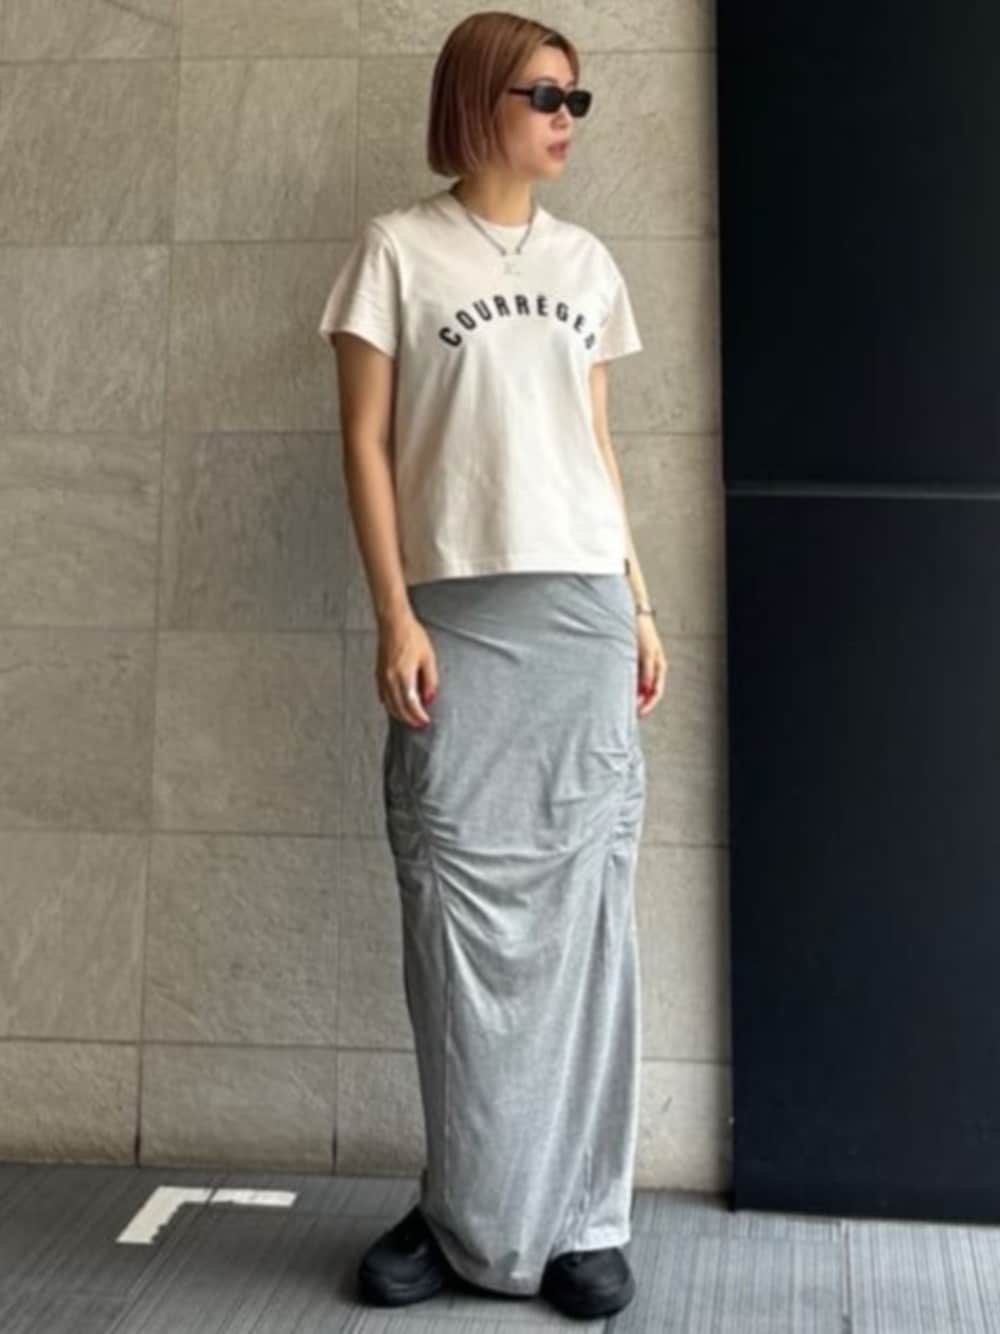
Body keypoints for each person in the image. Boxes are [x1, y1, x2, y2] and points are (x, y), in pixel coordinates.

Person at [318, 9, 668, 1320]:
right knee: (455, 920)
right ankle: (461, 1207)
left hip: (582, 612)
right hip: (456, 616)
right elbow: (364, 444)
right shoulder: (395, 252)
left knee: (587, 917)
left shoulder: (587, 264)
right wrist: (393, 614)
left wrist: (640, 602)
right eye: (545, 95)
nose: (568, 118)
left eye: (579, 98)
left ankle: (585, 1220)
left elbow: (597, 447)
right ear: (479, 100)